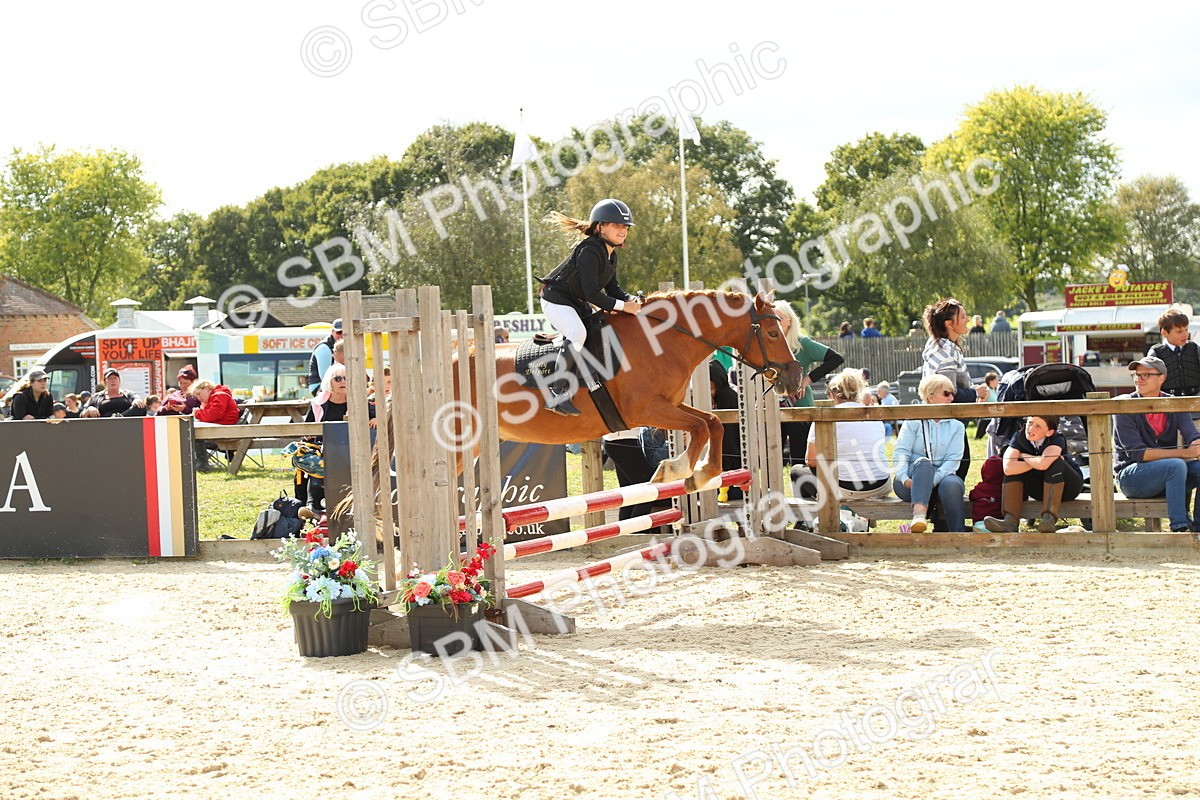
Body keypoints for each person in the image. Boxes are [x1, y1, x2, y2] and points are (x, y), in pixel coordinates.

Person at [536, 198, 643, 416]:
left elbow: (613, 289)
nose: (622, 230)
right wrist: (624, 306)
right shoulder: (589, 252)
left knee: (601, 328)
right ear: (601, 226)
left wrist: (632, 300)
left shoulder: (610, 255)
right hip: (556, 300)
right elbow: (591, 294)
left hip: (575, 302)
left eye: (625, 227)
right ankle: (556, 393)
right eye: (616, 225)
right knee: (577, 333)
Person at [1113, 356, 1200, 532]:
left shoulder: (1174, 403)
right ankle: (1179, 526)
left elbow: (1193, 436)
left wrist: (1196, 444)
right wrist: (1185, 453)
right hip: (1130, 478)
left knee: (1186, 466)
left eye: (1146, 375)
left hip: (1169, 475)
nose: (1139, 379)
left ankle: (1197, 527)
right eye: (1136, 375)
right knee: (1176, 465)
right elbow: (1139, 454)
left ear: (1161, 378)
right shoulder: (1124, 405)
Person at [982, 414, 1085, 533]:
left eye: (1038, 426)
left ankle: (1049, 519)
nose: (1030, 429)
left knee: (1054, 462)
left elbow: (1044, 464)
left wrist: (1024, 455)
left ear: (1049, 432)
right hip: (1040, 488)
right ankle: (1010, 521)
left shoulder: (1057, 438)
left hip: (1068, 487)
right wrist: (1037, 461)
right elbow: (1008, 468)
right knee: (1015, 469)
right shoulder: (1019, 436)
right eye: (1030, 423)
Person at [922, 298, 989, 479]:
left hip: (944, 422)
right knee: (956, 470)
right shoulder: (945, 351)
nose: (967, 320)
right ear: (949, 324)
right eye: (963, 316)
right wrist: (976, 393)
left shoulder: (940, 345)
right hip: (947, 422)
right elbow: (948, 394)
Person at [891, 374, 967, 533]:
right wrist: (904, 478)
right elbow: (901, 453)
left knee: (952, 484)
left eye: (953, 393)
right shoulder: (913, 421)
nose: (951, 398)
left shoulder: (957, 426)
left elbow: (953, 461)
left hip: (941, 481)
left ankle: (958, 533)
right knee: (923, 462)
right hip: (909, 482)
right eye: (947, 394)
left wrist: (930, 481)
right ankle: (918, 517)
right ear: (931, 398)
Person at [773, 300, 845, 467]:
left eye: (780, 318)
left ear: (790, 320)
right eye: (772, 318)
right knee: (772, 458)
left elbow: (836, 358)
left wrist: (807, 380)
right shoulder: (766, 343)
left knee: (800, 459)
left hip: (800, 403)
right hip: (772, 406)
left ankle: (802, 492)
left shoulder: (801, 343)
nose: (776, 322)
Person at [800, 368, 890, 500]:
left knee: (798, 471)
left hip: (847, 488)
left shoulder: (823, 417)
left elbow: (811, 461)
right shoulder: (874, 416)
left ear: (832, 394)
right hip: (881, 485)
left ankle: (809, 519)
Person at [1147, 308, 1200, 397]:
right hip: (1168, 402)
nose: (1185, 335)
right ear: (1164, 332)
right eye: (1179, 331)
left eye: (1186, 329)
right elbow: (1149, 381)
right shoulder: (1155, 353)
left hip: (1196, 400)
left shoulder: (1195, 348)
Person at [81, 368, 146, 417]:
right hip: (105, 426)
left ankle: (119, 417)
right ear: (104, 382)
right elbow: (82, 415)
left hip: (126, 424)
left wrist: (137, 400)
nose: (113, 381)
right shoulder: (97, 396)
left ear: (119, 381)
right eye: (109, 378)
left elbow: (137, 398)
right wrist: (89, 409)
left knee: (141, 406)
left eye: (115, 378)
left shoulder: (128, 393)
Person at [306, 319, 342, 397]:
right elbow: (325, 376)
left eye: (345, 333)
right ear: (332, 332)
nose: (342, 335)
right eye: (339, 332)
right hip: (318, 386)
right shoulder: (324, 348)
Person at [974, 371, 1000, 439]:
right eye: (996, 379)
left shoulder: (994, 390)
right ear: (991, 381)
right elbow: (980, 403)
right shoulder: (987, 390)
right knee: (978, 438)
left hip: (992, 417)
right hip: (985, 419)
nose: (998, 381)